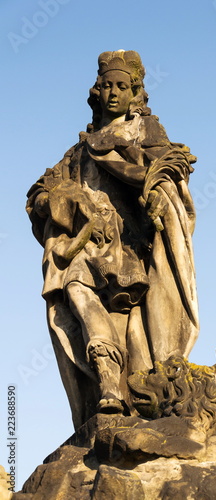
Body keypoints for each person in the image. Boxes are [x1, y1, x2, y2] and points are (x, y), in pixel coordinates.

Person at [27, 50, 199, 429]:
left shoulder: (144, 133)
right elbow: (42, 189)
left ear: (136, 91)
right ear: (96, 92)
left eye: (122, 86)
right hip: (85, 250)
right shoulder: (77, 151)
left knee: (138, 344)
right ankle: (107, 386)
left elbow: (167, 172)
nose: (114, 93)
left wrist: (154, 189)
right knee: (72, 286)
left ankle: (139, 399)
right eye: (106, 86)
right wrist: (54, 200)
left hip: (131, 253)